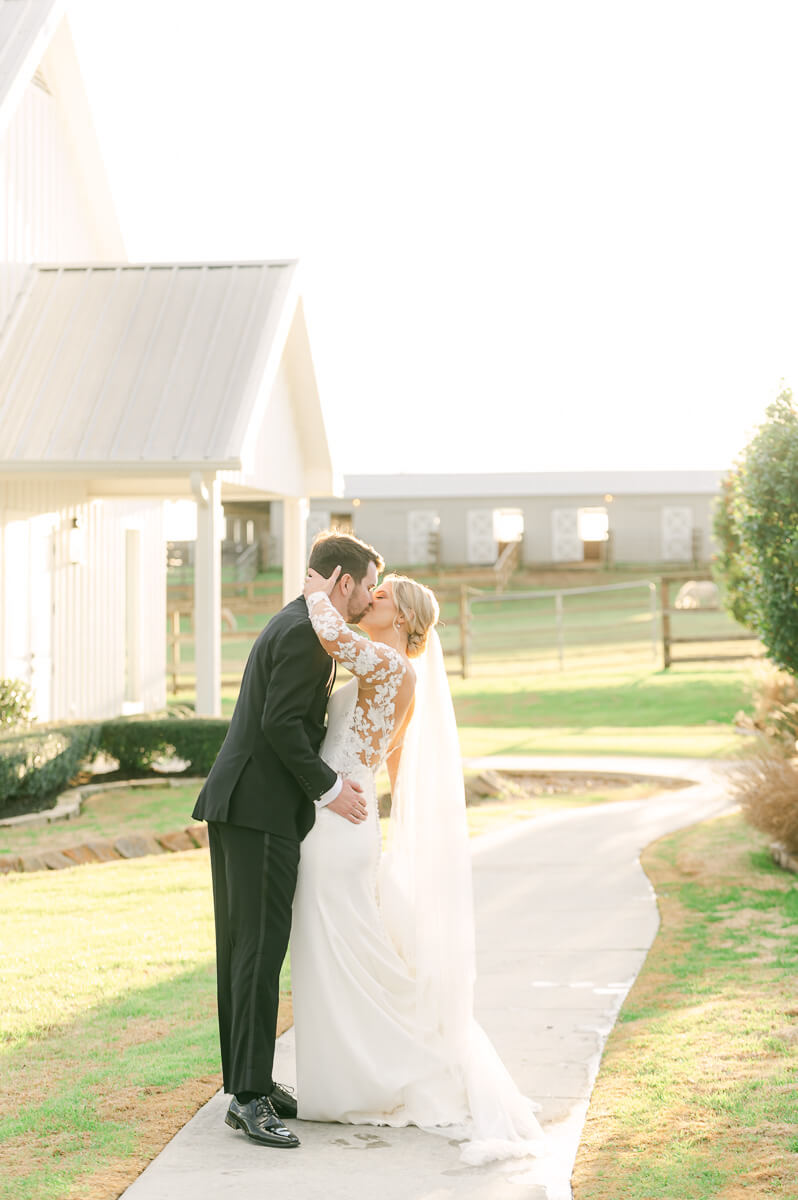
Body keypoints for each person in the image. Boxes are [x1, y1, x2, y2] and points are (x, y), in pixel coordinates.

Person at [292, 565, 544, 1164]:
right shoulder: (392, 675)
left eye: (376, 596)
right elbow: (398, 767)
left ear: (400, 618)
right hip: (345, 818)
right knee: (337, 952)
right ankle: (351, 1077)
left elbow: (332, 634)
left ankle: (395, 1073)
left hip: (337, 823)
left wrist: (314, 591)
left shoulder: (394, 668)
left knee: (343, 951)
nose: (366, 600)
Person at [192, 532, 384, 1149]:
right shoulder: (304, 632)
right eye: (366, 588)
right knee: (257, 949)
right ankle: (249, 1099)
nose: (367, 602)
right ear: (343, 580)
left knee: (246, 947)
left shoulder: (300, 622)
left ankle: (250, 1083)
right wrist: (330, 789)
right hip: (260, 809)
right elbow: (279, 723)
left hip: (245, 805)